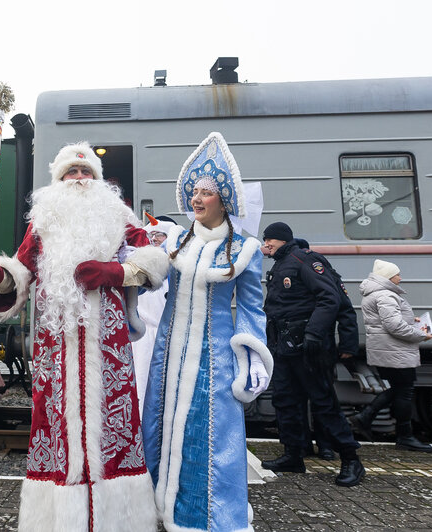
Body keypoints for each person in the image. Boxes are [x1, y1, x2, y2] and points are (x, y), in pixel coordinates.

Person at [0, 142, 169, 532]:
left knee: (114, 425)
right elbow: (22, 274)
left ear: (97, 180)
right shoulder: (42, 223)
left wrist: (114, 273)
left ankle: (120, 521)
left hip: (107, 345)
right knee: (55, 425)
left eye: (85, 172)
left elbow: (154, 261)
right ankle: (59, 521)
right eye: (71, 172)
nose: (78, 179)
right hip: (55, 346)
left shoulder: (119, 216)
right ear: (58, 180)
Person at [142, 132, 273, 532]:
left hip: (213, 357)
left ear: (224, 200)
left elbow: (252, 307)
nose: (197, 199)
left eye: (206, 193)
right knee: (156, 426)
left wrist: (252, 356)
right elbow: (147, 281)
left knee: (211, 438)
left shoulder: (246, 251)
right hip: (167, 353)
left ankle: (206, 518)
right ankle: (153, 509)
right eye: (194, 192)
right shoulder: (175, 241)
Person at [260, 221, 365, 487]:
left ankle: (351, 459)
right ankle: (293, 455)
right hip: (284, 347)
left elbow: (330, 298)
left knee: (323, 402)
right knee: (285, 401)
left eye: (269, 239)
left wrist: (314, 334)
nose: (265, 244)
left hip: (307, 346)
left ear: (281, 239)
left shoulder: (304, 260)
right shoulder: (280, 266)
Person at [351, 259, 432, 452]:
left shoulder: (380, 294)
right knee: (404, 391)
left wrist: (409, 319)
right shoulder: (386, 295)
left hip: (390, 349)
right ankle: (404, 436)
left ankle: (365, 418)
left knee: (399, 389)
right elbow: (393, 326)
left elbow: (387, 320)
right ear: (388, 277)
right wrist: (422, 335)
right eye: (397, 274)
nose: (400, 277)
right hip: (395, 350)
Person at [294, 238, 360, 461]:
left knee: (321, 397)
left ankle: (324, 445)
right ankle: (304, 445)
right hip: (299, 346)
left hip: (321, 346)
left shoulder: (322, 272)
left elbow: (345, 310)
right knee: (299, 397)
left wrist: (348, 345)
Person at [131, 213, 176, 417]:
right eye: (153, 234)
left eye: (161, 235)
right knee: (141, 387)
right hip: (143, 339)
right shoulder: (139, 267)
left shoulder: (179, 268)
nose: (156, 239)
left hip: (170, 339)